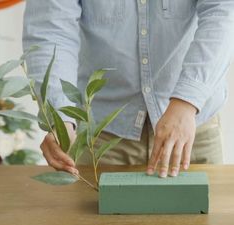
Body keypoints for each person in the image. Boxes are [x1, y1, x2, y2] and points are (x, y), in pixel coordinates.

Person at [23, 0, 234, 178]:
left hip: (192, 127)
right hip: (101, 136)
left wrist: (187, 100)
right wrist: (60, 117)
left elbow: (223, 11)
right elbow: (50, 29)